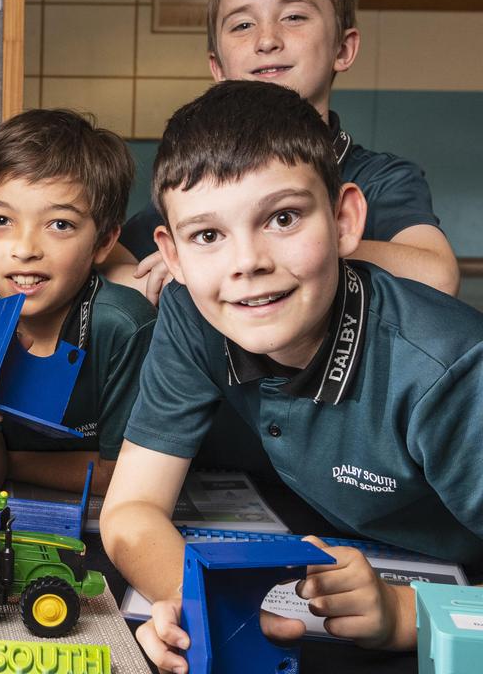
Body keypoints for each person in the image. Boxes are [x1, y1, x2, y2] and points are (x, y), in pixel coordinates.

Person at [100, 81, 483, 672]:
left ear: (344, 220)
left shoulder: (448, 370)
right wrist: (198, 605)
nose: (247, 262)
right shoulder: (193, 313)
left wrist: (402, 613)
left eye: (282, 217)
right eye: (207, 235)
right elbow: (130, 510)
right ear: (172, 256)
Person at [103, 0, 457, 305]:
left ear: (343, 48)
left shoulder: (381, 177)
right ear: (218, 66)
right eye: (243, 25)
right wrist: (179, 267)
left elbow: (437, 276)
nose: (267, 39)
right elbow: (107, 262)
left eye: (293, 17)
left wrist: (305, 244)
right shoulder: (199, 176)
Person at [0, 109, 155, 495]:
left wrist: (9, 463)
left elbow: (120, 474)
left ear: (103, 243)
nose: (25, 249)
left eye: (60, 225)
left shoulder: (123, 324)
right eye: (0, 220)